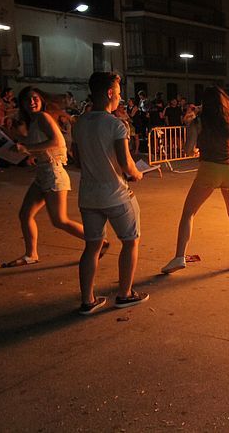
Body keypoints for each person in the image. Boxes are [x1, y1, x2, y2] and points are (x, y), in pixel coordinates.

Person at [72, 72, 147, 315]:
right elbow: (126, 163)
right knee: (130, 241)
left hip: (88, 196)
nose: (120, 96)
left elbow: (77, 160)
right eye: (118, 92)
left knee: (92, 247)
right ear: (109, 94)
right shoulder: (116, 124)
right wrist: (136, 173)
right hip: (115, 194)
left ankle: (87, 300)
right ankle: (125, 294)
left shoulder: (79, 123)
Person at [161, 86, 229, 274]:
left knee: (189, 213)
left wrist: (197, 146)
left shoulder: (198, 122)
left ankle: (180, 256)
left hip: (208, 170)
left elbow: (188, 150)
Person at [2, 87, 90, 267]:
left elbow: (57, 141)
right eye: (27, 100)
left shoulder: (43, 117)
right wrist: (15, 138)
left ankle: (97, 242)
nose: (31, 102)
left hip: (53, 173)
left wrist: (28, 149)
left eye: (34, 98)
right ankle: (31, 254)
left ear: (41, 100)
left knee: (59, 220)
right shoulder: (34, 121)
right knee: (25, 214)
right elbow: (37, 144)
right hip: (43, 173)